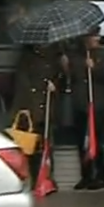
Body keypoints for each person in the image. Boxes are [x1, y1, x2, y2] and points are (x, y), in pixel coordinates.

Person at [66, 28, 104, 191]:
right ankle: (85, 176)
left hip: (97, 104)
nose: (96, 39)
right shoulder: (75, 56)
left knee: (96, 140)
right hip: (81, 104)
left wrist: (94, 68)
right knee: (81, 142)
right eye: (93, 36)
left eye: (97, 35)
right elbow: (71, 79)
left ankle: (100, 176)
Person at [11, 43, 61, 191]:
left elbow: (59, 77)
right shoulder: (27, 59)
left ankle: (47, 178)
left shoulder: (53, 58)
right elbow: (22, 83)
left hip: (47, 106)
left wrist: (55, 84)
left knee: (48, 146)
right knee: (32, 147)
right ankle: (34, 179)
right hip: (32, 108)